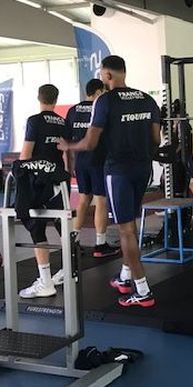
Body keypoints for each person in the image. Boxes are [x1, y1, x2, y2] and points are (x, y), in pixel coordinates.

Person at [59, 55, 160, 308]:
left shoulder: (104, 101)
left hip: (119, 171)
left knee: (125, 230)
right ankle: (125, 277)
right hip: (143, 169)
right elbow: (156, 140)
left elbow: (91, 143)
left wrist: (69, 145)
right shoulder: (147, 99)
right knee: (131, 226)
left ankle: (143, 291)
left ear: (107, 75)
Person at [18, 84, 70, 298]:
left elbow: (25, 156)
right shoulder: (63, 122)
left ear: (38, 98)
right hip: (58, 182)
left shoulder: (34, 121)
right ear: (56, 99)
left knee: (36, 229)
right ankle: (68, 270)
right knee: (63, 228)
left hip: (39, 183)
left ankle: (46, 282)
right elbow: (68, 154)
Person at [63, 79, 120, 264]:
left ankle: (74, 241)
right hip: (98, 161)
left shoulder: (73, 110)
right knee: (101, 201)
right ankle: (100, 244)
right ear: (97, 91)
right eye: (102, 91)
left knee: (83, 199)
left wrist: (69, 165)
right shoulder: (102, 107)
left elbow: (68, 141)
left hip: (81, 162)